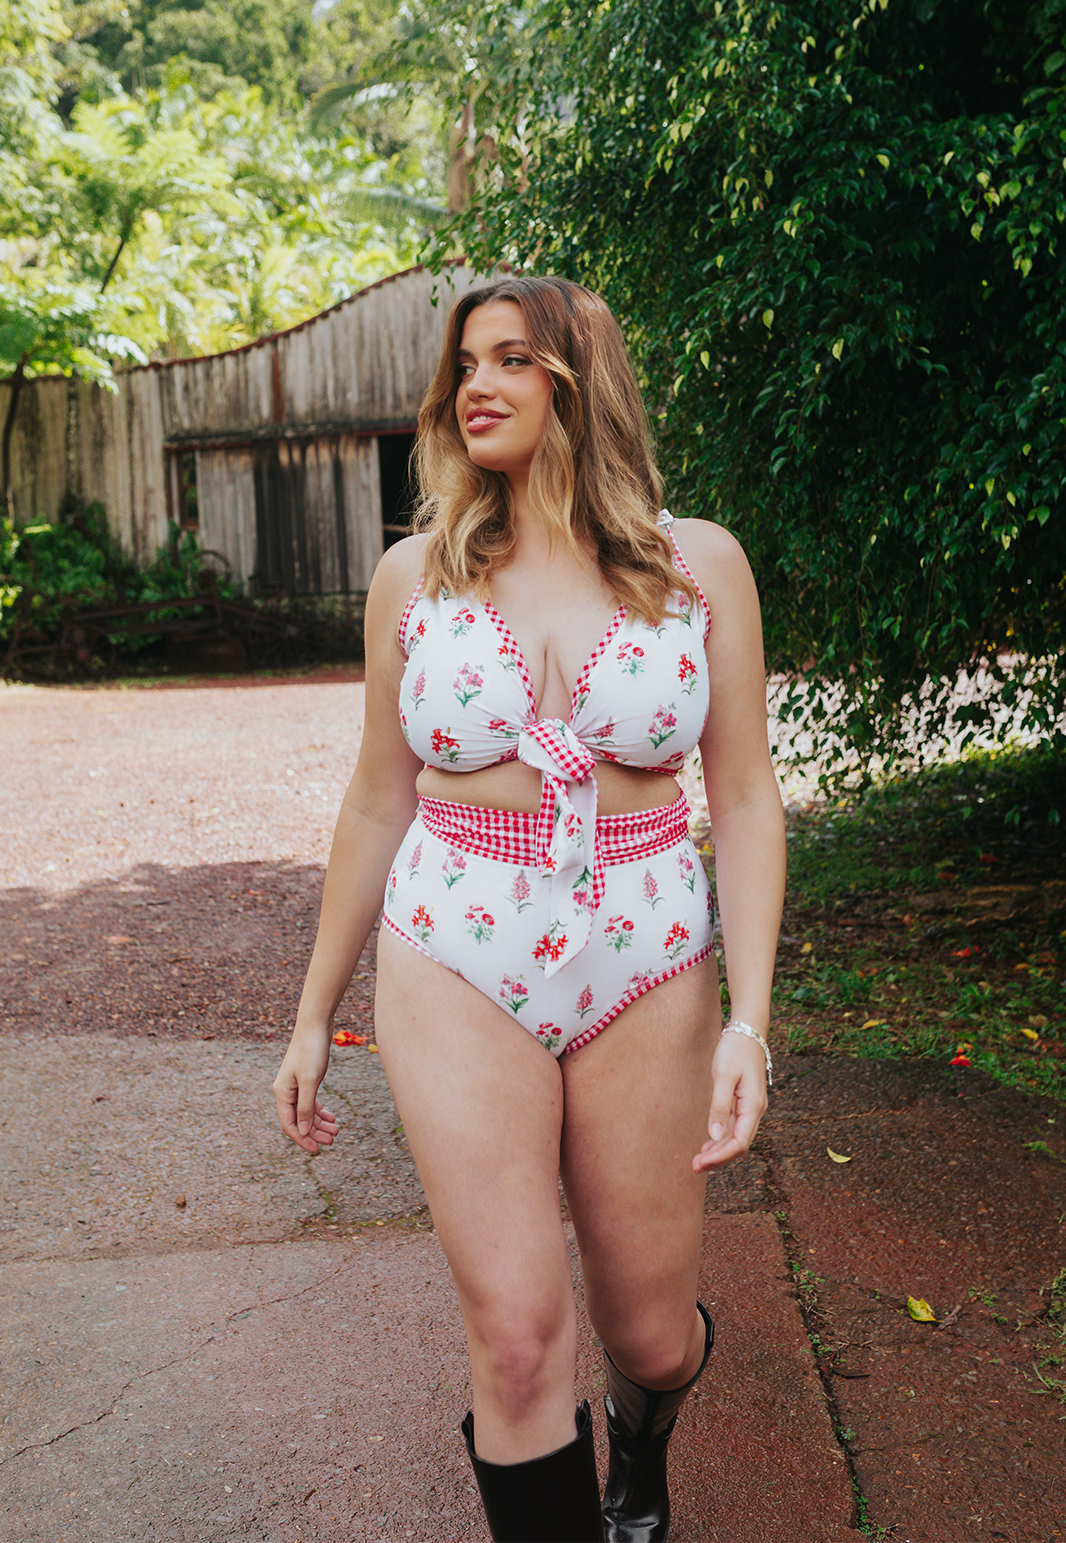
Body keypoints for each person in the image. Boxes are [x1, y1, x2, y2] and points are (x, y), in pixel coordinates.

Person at [273, 276, 786, 1543]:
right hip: (457, 950)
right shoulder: (415, 576)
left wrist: (751, 1026)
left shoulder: (699, 565)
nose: (476, 386)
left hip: (647, 954)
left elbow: (744, 798)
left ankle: (641, 1441)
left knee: (649, 1333)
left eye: (510, 359)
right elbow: (376, 801)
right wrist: (311, 1014)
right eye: (464, 365)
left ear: (577, 380)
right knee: (513, 1334)